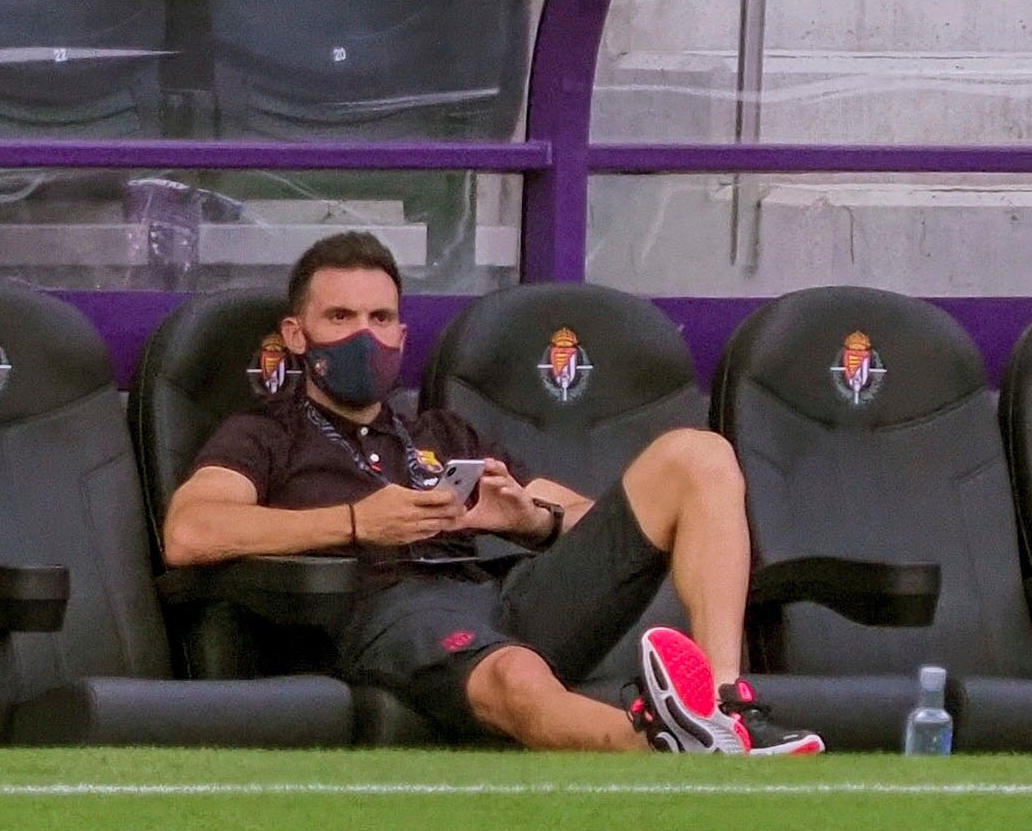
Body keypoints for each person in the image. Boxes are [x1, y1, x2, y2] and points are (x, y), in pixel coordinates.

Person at [159, 230, 821, 755]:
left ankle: (724, 705)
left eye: (379, 316)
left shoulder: (441, 431)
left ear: (400, 336)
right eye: (339, 315)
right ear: (296, 335)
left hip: (506, 587)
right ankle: (668, 747)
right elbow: (190, 531)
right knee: (516, 678)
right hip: (392, 612)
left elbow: (602, 525)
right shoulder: (264, 433)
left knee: (696, 455)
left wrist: (531, 520)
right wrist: (359, 522)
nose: (363, 333)